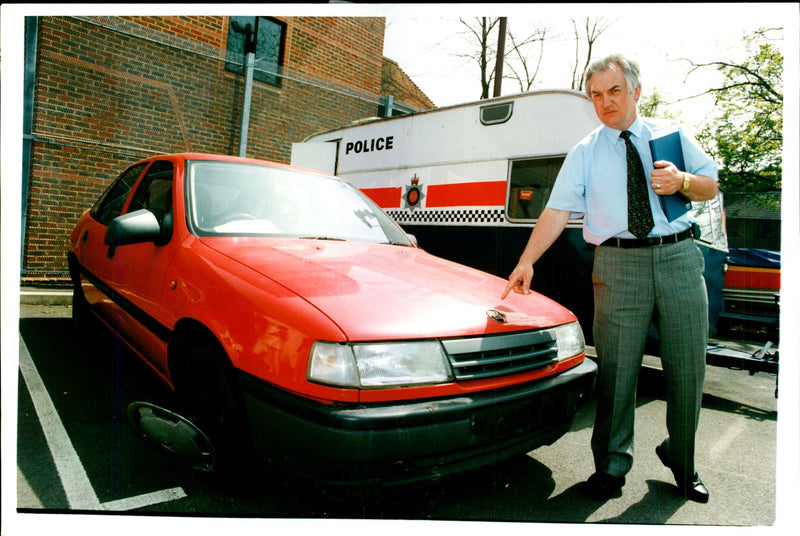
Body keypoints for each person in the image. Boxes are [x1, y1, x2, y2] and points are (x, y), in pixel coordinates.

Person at [501, 54, 718, 503]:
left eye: (614, 91)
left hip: (678, 256)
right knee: (618, 373)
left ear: (636, 92)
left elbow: (711, 186)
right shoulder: (586, 150)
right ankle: (612, 467)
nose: (605, 102)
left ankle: (683, 460)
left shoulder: (670, 134)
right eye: (596, 95)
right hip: (617, 265)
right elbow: (557, 209)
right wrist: (527, 261)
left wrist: (681, 181)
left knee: (687, 370)